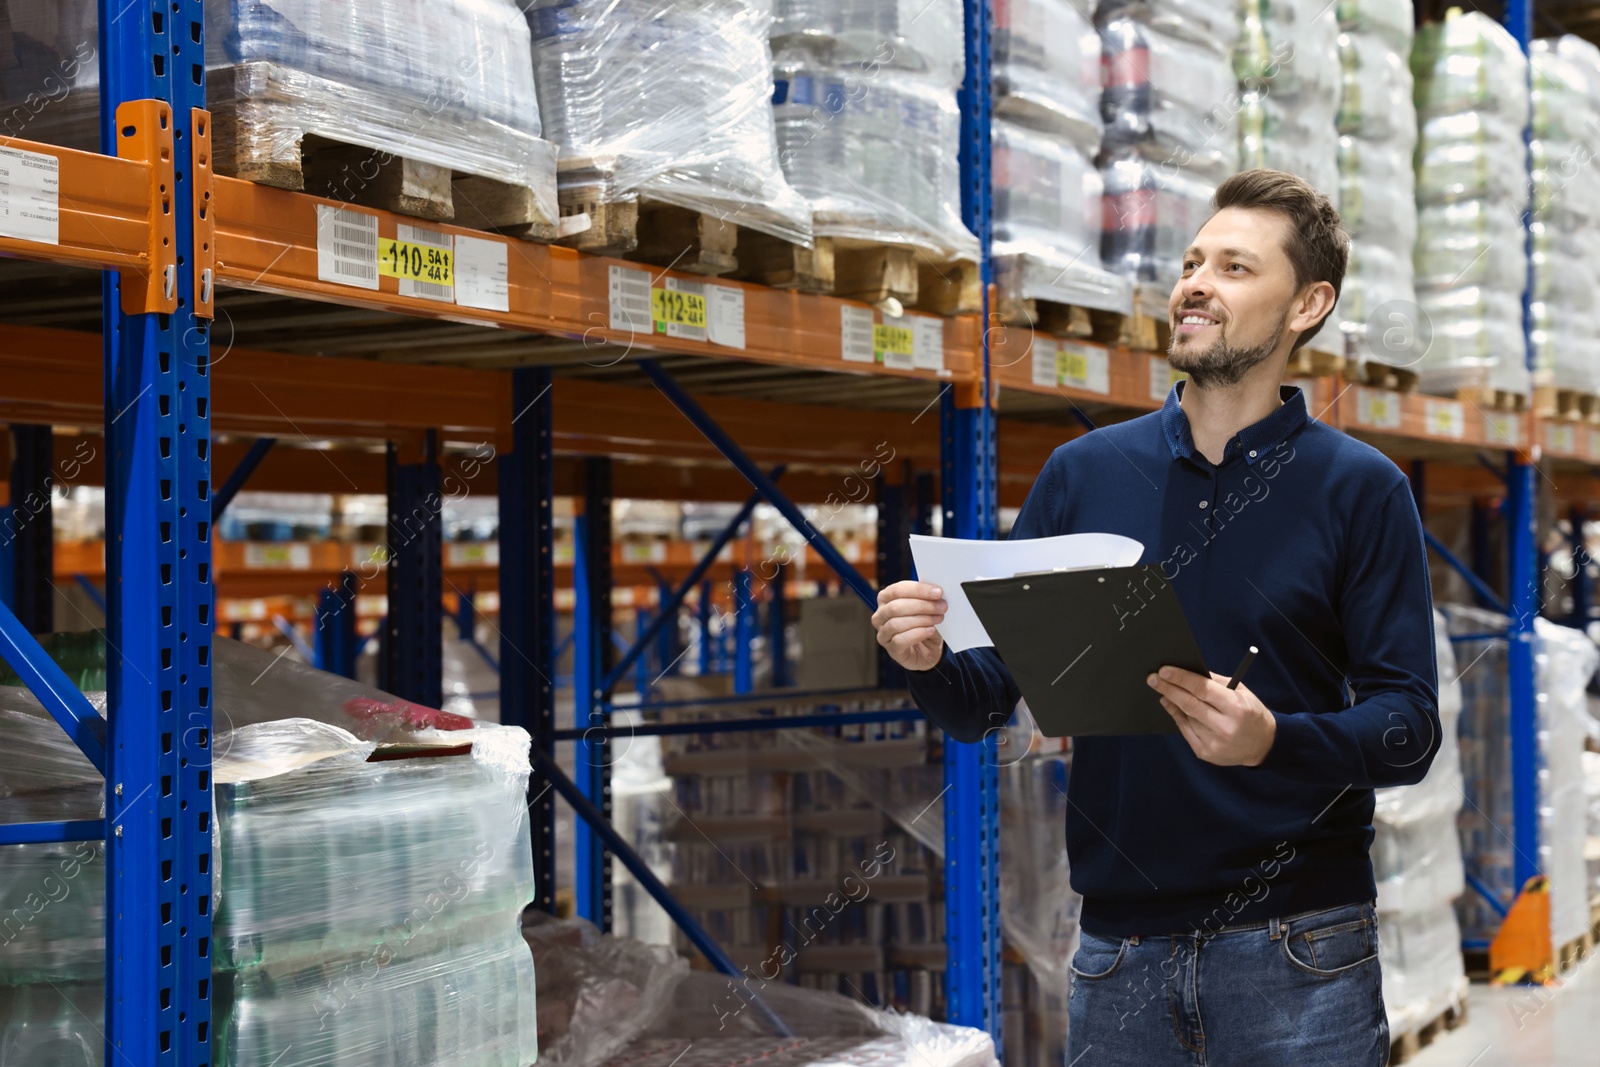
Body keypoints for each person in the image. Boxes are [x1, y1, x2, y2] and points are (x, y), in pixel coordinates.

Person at [870, 169, 1439, 1065]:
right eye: (1190, 262)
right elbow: (983, 703)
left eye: (1236, 267)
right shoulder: (1083, 475)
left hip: (1301, 954)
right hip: (1118, 959)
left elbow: (1409, 728)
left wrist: (1274, 741)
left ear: (1308, 304)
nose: (1196, 283)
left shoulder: (1360, 491)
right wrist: (927, 656)